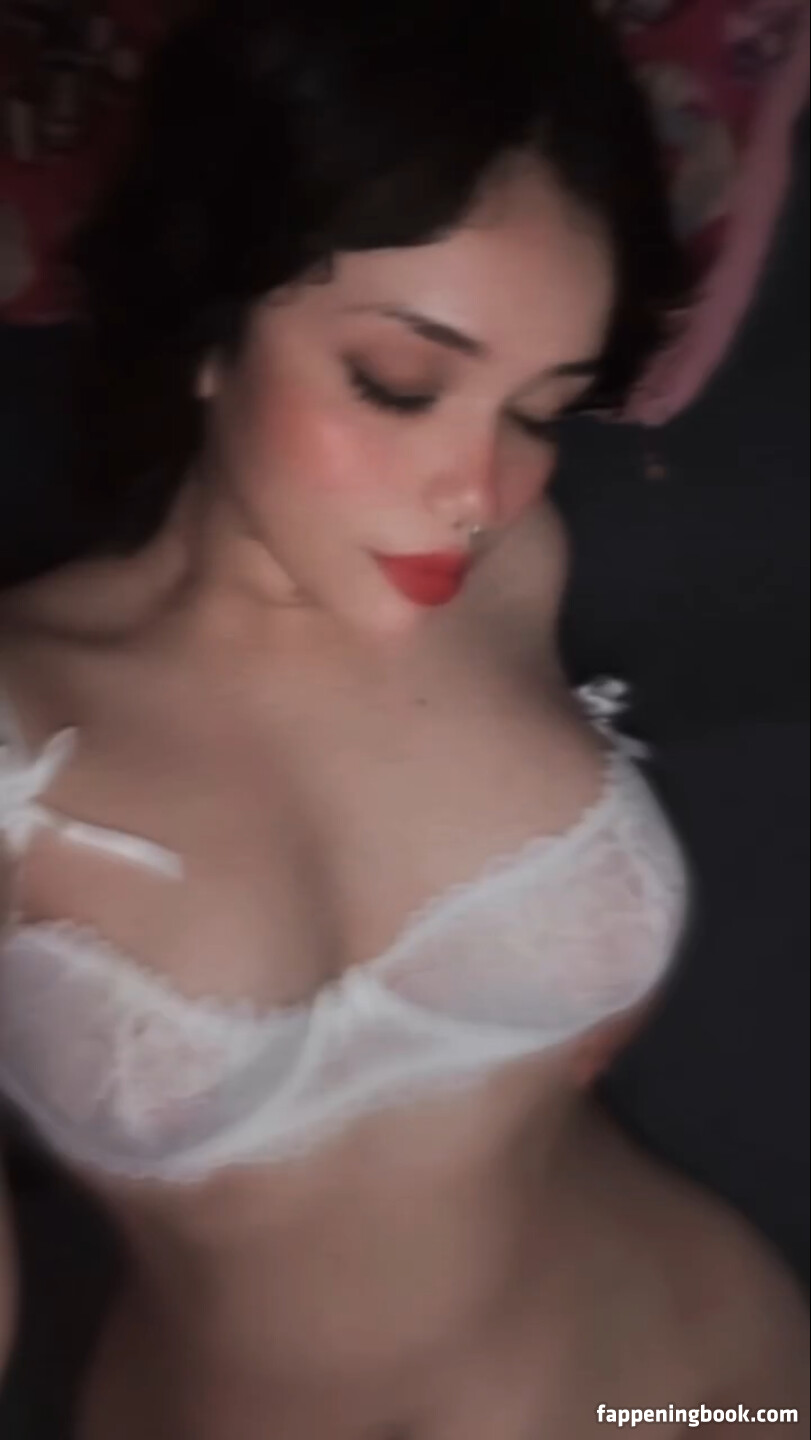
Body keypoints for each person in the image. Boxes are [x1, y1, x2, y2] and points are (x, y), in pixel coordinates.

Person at [0, 3, 807, 1437]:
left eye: (540, 409)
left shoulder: (516, 569)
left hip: (702, 1396)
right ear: (209, 322)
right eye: (403, 383)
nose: (478, 493)